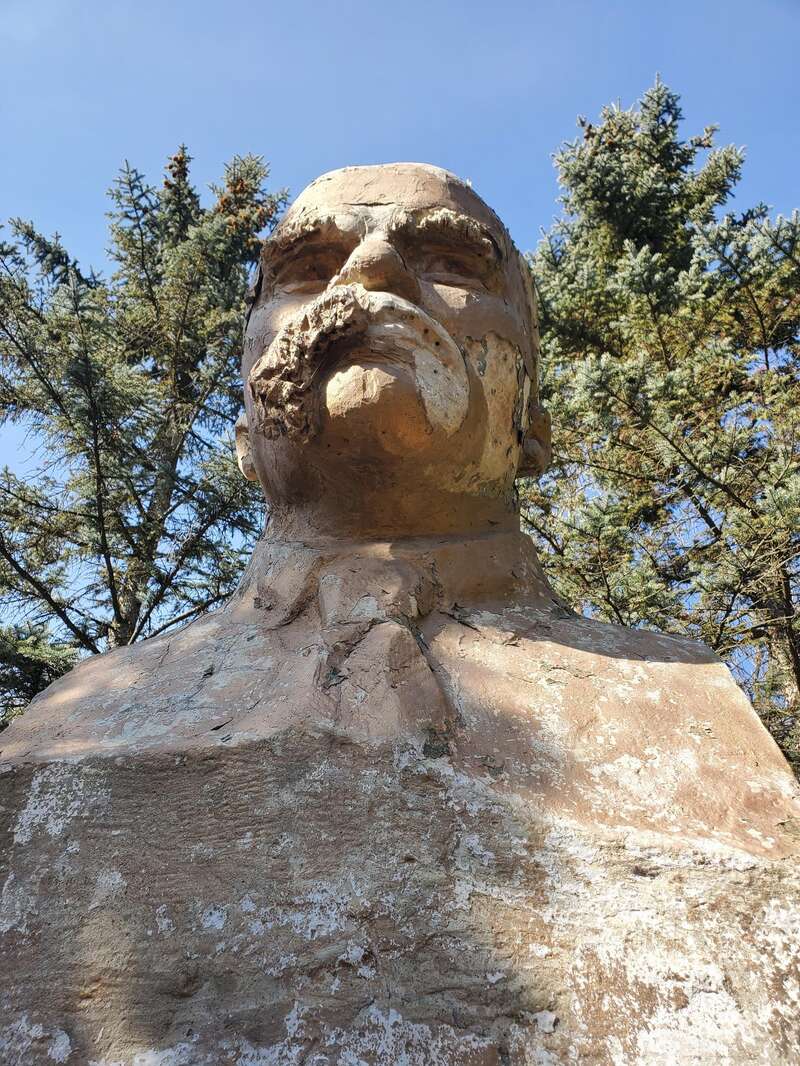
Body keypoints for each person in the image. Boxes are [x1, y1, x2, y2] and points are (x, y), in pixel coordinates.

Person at [3, 165, 798, 1064]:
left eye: (451, 261)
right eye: (308, 266)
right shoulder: (71, 725)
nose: (370, 273)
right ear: (239, 420)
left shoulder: (692, 710)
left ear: (533, 411)